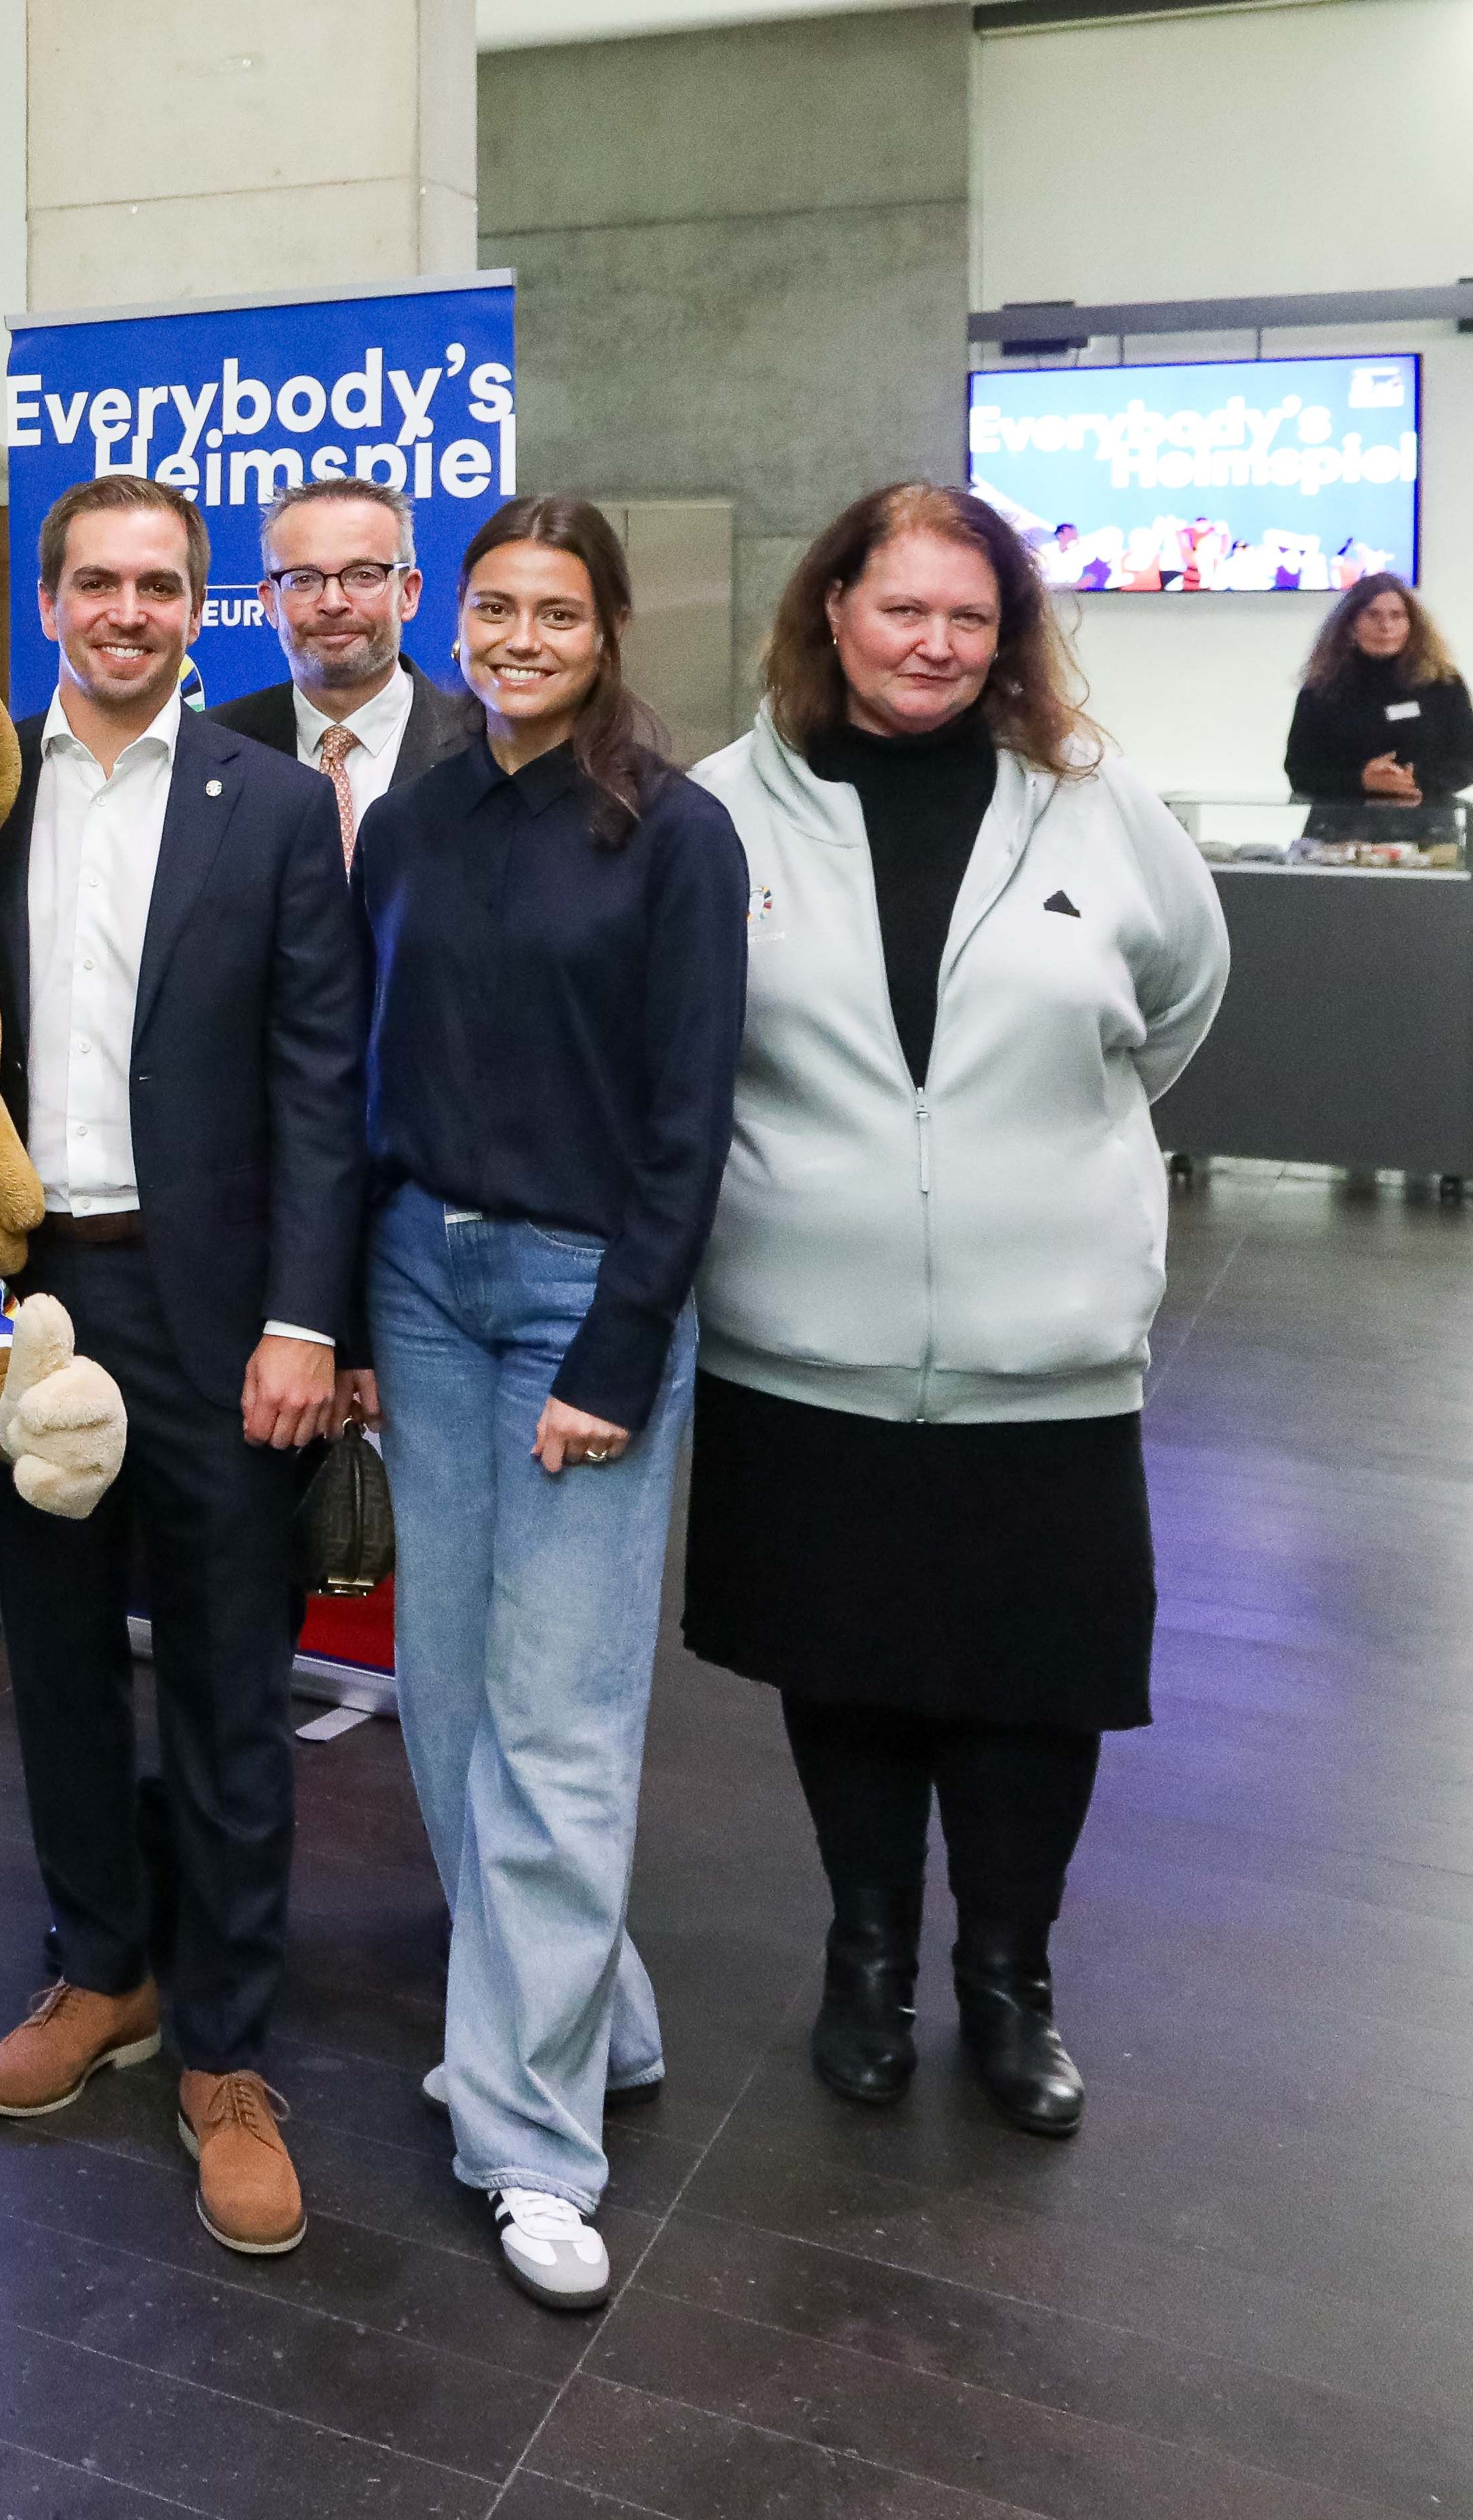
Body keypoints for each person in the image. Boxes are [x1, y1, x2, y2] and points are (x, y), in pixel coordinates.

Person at [685, 482, 1225, 2144]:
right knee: (844, 1673)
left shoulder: (1091, 799)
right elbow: (683, 1041)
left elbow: (1183, 999)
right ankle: (866, 1963)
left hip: (1043, 1352)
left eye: (970, 615)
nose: (935, 640)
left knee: (1028, 1685)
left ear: (1008, 635)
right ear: (832, 608)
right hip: (805, 1342)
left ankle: (1009, 1981)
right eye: (901, 605)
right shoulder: (726, 808)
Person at [0, 475, 366, 2262]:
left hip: (214, 1319)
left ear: (201, 611)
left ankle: (223, 2051)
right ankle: (98, 1971)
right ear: (48, 601)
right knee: (46, 1660)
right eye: (97, 582)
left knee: (221, 1678)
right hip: (29, 1300)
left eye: (162, 586)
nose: (128, 611)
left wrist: (303, 1319)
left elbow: (316, 1080)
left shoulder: (271, 807)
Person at [349, 493, 745, 2311]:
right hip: (422, 1288)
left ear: (607, 635)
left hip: (587, 1299)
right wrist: (351, 1305)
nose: (518, 639)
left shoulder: (674, 837)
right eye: (494, 606)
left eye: (556, 614)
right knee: (440, 1691)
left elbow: (686, 1128)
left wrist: (613, 1355)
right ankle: (603, 2018)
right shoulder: (411, 822)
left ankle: (525, 2143)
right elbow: (373, 1072)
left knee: (562, 1713)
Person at [208, 477, 485, 867]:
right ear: (270, 604)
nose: (333, 603)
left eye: (363, 575)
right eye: (303, 580)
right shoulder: (210, 750)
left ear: (409, 593)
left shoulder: (485, 747)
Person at [1283, 572, 1473, 832]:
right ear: (1350, 624)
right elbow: (1300, 771)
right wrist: (1362, 780)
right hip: (1340, 835)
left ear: (1412, 625)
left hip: (1428, 834)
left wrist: (1413, 781)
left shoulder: (1443, 685)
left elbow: (1466, 761)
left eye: (1397, 616)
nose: (1386, 626)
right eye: (1373, 615)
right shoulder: (1322, 688)